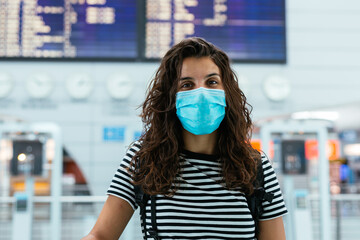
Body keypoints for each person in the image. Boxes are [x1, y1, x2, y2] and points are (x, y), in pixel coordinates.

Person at [82, 37, 288, 240]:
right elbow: (100, 235)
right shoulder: (145, 159)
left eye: (212, 82)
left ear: (227, 93)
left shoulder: (254, 166)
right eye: (187, 85)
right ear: (171, 98)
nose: (201, 93)